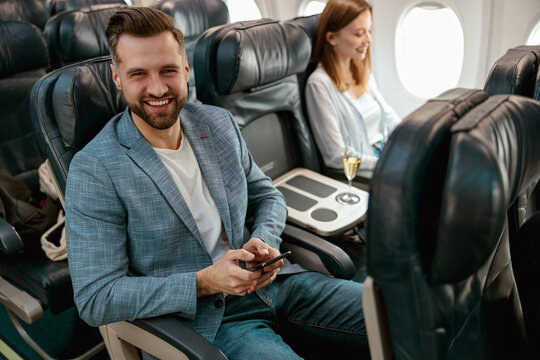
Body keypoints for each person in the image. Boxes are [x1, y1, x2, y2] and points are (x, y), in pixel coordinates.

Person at [65, 7, 368, 359]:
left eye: (168, 70)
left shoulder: (217, 124)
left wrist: (263, 241)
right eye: (138, 75)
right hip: (206, 321)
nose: (158, 87)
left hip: (277, 284)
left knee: (407, 314)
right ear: (117, 79)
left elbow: (267, 195)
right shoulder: (96, 168)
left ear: (186, 71)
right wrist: (205, 281)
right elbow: (96, 297)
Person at [305, 0, 401, 175]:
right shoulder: (319, 85)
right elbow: (335, 155)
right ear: (332, 38)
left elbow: (389, 118)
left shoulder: (362, 71)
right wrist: (384, 164)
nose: (368, 40)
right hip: (364, 170)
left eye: (369, 31)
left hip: (385, 155)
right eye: (359, 34)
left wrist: (414, 139)